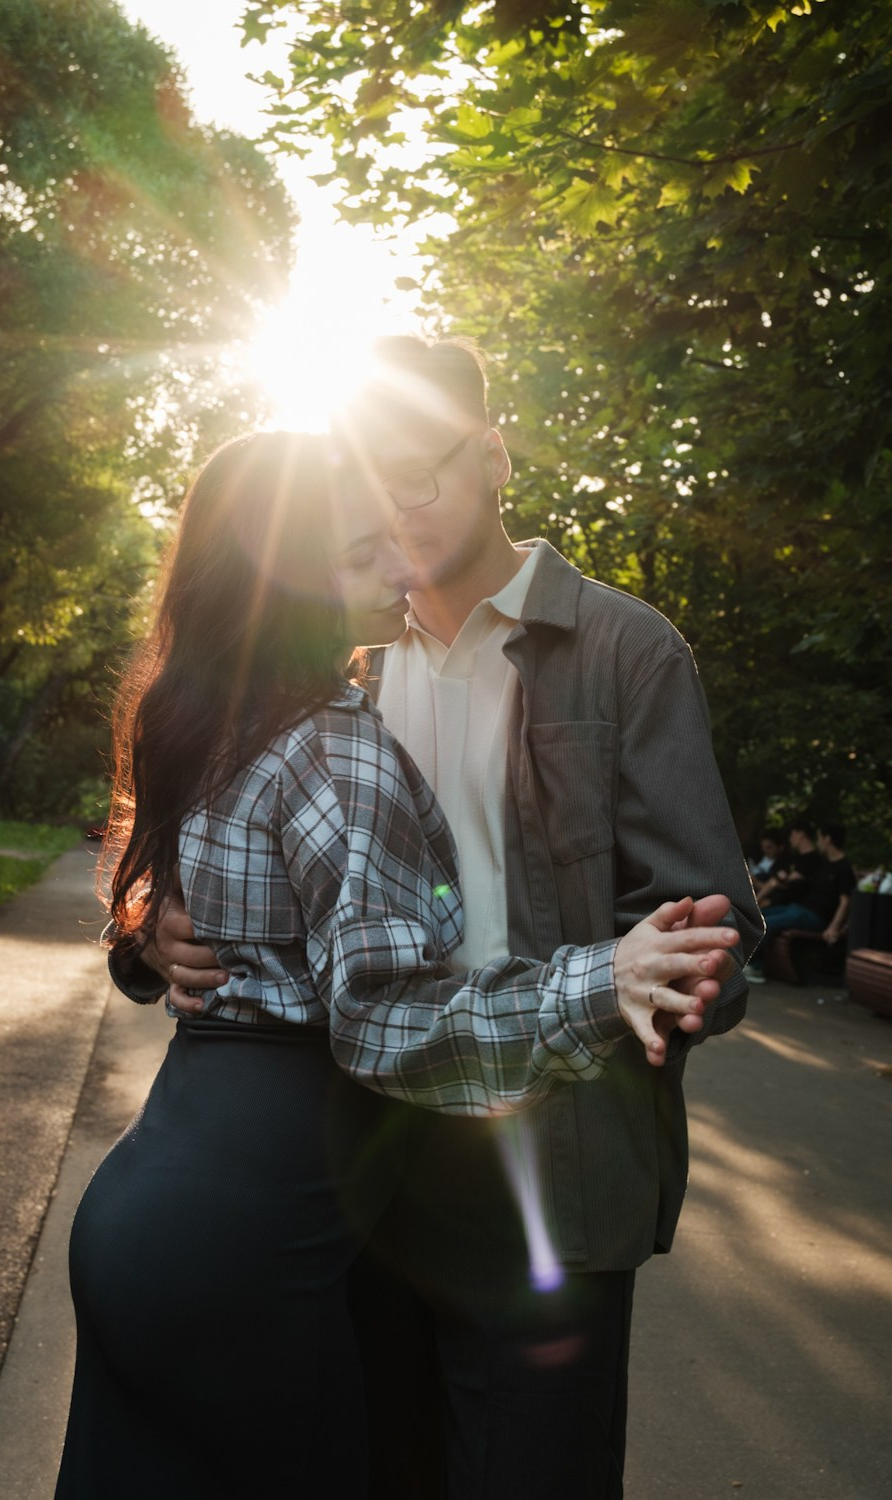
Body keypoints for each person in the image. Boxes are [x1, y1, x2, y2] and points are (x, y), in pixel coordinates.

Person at [57, 430, 739, 1499]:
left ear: (494, 455)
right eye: (365, 525)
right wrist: (148, 933)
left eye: (414, 475)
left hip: (514, 1187)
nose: (397, 546)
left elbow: (707, 939)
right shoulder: (332, 688)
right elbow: (266, 915)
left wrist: (651, 979)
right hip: (343, 1208)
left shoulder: (620, 648)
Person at [746, 820, 855, 982]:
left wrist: (833, 927)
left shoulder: (844, 868)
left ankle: (755, 967)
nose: (818, 842)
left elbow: (845, 902)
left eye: (820, 838)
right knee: (757, 914)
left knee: (766, 922)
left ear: (828, 839)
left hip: (815, 916)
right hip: (800, 908)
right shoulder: (826, 865)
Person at [748, 826, 787, 893]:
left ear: (780, 847)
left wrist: (755, 882)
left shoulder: (783, 866)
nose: (765, 850)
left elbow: (776, 889)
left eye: (769, 847)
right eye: (763, 847)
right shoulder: (755, 856)